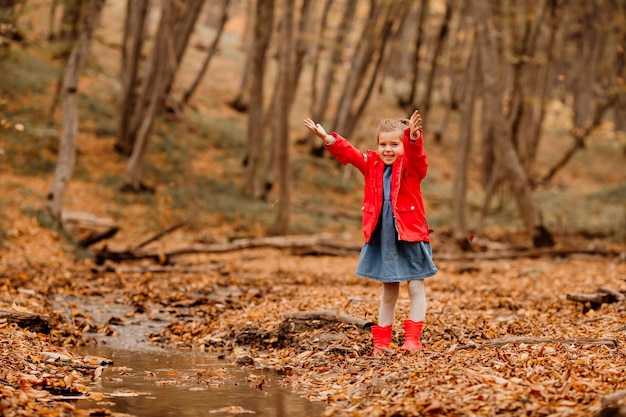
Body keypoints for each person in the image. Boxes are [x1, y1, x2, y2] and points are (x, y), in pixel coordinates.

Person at [303, 110, 438, 354]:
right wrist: (328, 139)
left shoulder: (411, 167)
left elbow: (418, 157)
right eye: (383, 144)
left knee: (416, 286)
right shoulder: (372, 165)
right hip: (384, 236)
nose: (388, 149)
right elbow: (351, 155)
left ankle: (412, 340)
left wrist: (414, 138)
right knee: (389, 290)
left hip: (409, 232)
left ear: (403, 146)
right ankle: (382, 342)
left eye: (395, 144)